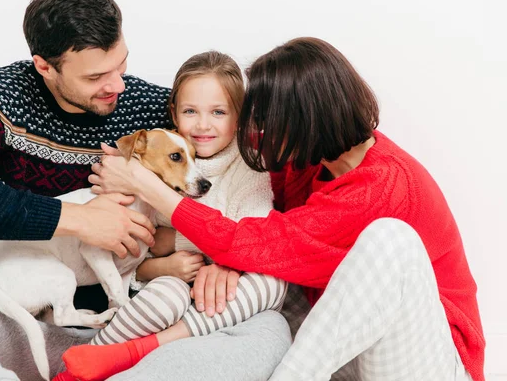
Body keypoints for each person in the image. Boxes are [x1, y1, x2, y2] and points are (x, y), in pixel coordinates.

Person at [0, 0, 290, 380]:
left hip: (134, 325)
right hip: (18, 319)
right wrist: (81, 219)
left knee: (270, 329)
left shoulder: (153, 108)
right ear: (45, 66)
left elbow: (234, 146)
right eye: (96, 77)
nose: (118, 86)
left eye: (121, 65)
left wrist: (233, 259)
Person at [90, 37, 486, 381]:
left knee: (390, 240)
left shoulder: (383, 185)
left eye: (265, 119)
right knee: (264, 314)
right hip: (351, 348)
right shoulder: (309, 162)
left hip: (427, 360)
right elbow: (251, 230)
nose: (256, 131)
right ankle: (129, 357)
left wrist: (144, 184)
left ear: (305, 119)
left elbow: (256, 239)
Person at [53, 51, 288, 381]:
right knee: (167, 294)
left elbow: (254, 240)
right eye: (191, 111)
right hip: (175, 286)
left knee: (273, 282)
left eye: (218, 112)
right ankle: (88, 360)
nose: (203, 125)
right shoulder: (161, 160)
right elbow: (135, 256)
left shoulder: (250, 167)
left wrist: (209, 255)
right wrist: (163, 265)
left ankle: (137, 351)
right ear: (174, 113)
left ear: (239, 118)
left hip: (228, 289)